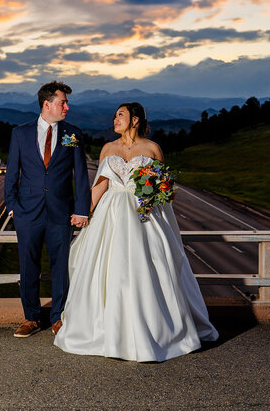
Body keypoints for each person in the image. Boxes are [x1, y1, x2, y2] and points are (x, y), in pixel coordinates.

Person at [54, 102, 218, 362]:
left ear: (135, 120)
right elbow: (101, 185)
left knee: (147, 268)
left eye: (120, 114)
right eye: (115, 115)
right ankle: (109, 331)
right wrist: (83, 212)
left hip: (143, 215)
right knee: (110, 270)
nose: (114, 118)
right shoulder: (108, 148)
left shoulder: (152, 148)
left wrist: (158, 192)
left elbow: (165, 189)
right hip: (111, 215)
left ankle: (155, 332)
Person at [4, 81, 92, 338]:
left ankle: (58, 318)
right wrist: (12, 208)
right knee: (27, 265)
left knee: (60, 266)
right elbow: (12, 174)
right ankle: (30, 318)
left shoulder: (73, 134)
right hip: (27, 213)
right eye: (62, 102)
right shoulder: (20, 133)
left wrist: (81, 210)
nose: (67, 106)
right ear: (47, 104)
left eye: (66, 102)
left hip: (61, 213)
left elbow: (81, 176)